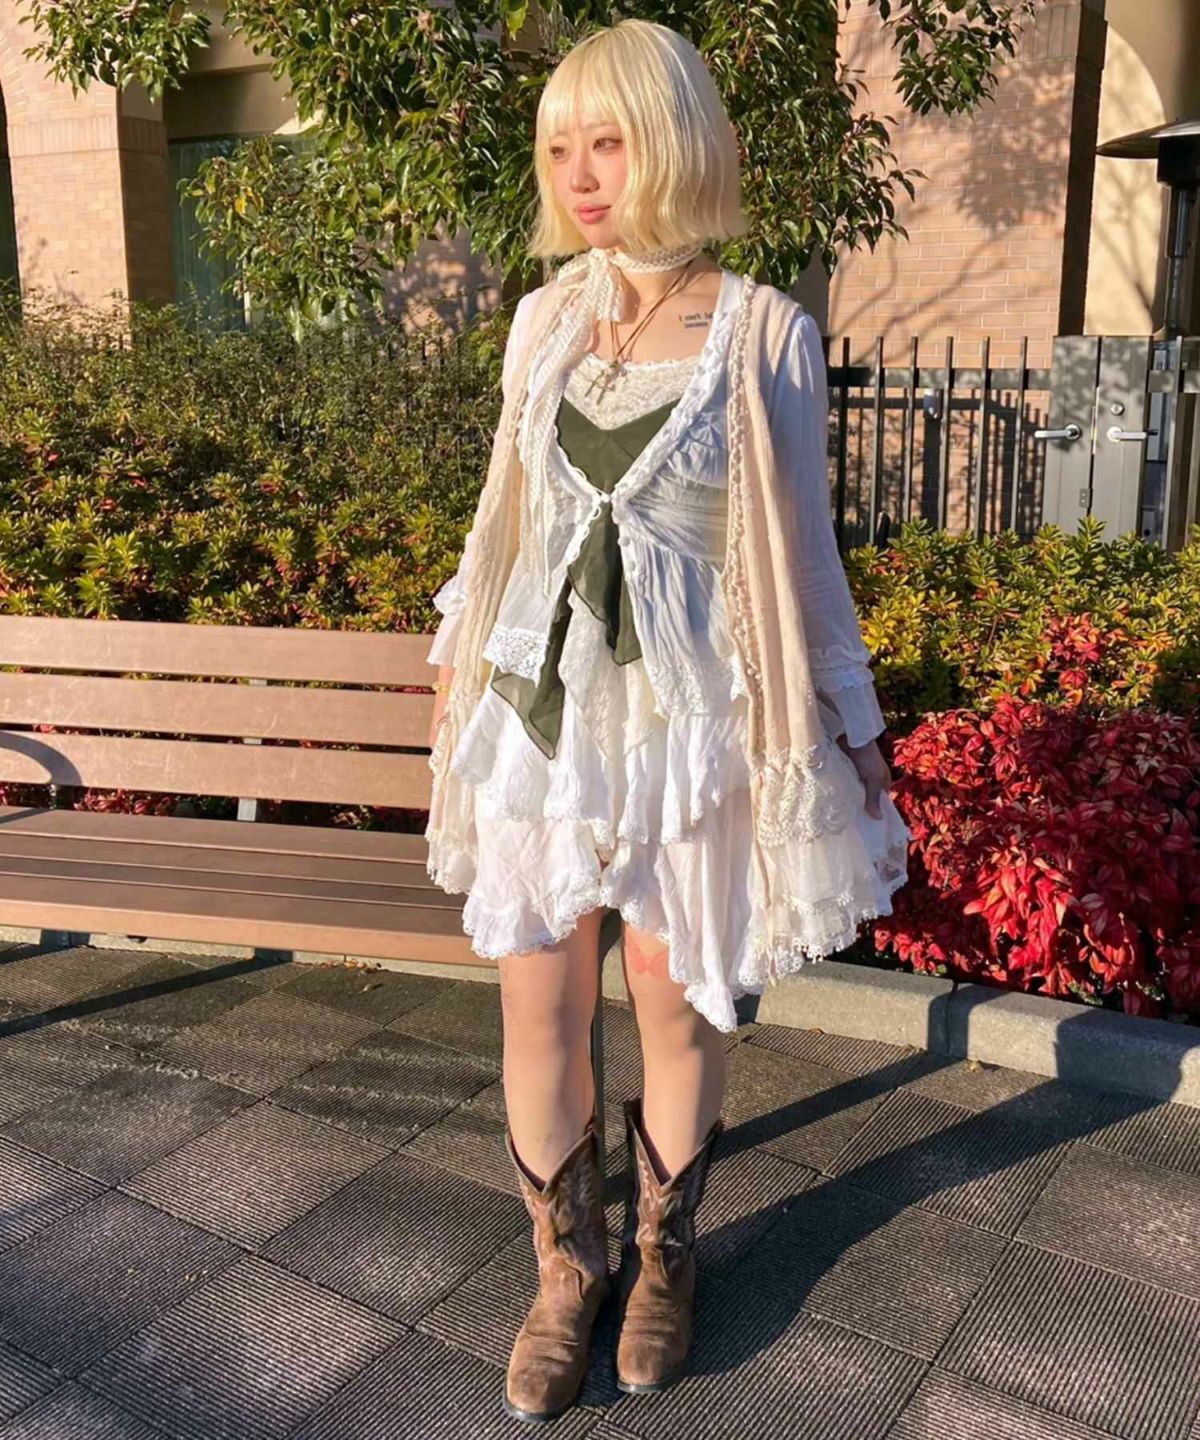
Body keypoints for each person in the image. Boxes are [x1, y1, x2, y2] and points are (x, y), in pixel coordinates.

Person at [423, 16, 911, 1424]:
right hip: (545, 720)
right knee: (539, 997)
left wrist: (855, 734)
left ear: (677, 142)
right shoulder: (541, 322)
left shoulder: (764, 331)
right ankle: (563, 1270)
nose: (580, 175)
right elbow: (507, 531)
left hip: (689, 726)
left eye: (610, 142)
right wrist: (457, 677)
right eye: (559, 149)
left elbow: (802, 562)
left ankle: (661, 1257)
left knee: (676, 992)